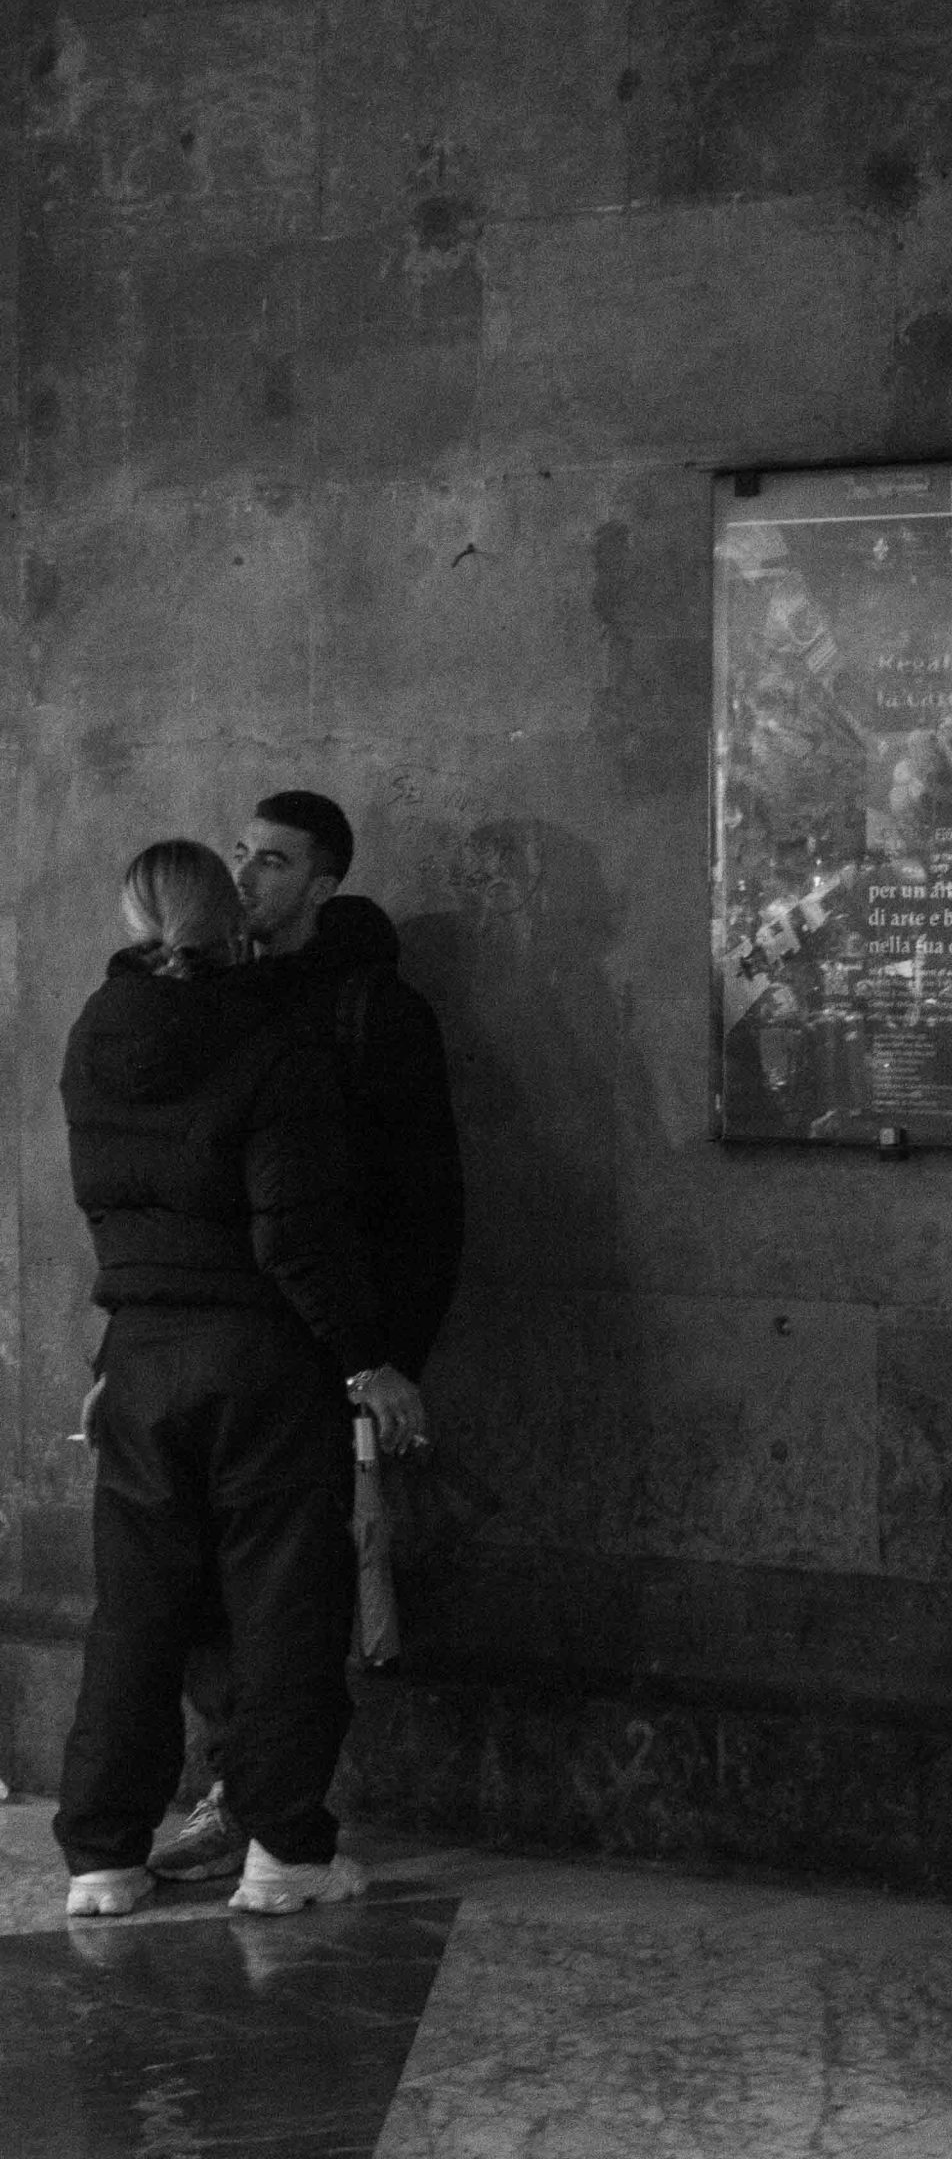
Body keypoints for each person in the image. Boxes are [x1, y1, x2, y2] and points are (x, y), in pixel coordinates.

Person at [54, 841, 427, 1920]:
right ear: (231, 922)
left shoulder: (93, 1033)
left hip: (139, 1356)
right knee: (283, 1607)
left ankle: (103, 1857)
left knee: (134, 1614)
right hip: (262, 1359)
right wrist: (366, 1358)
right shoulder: (273, 1037)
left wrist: (119, 1345)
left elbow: (109, 1204)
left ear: (132, 919)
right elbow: (295, 1232)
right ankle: (282, 1852)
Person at [146, 790, 466, 1887]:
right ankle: (237, 1790)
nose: (245, 876)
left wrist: (385, 1357)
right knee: (196, 1584)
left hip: (319, 1344)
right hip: (207, 1335)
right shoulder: (208, 994)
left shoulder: (375, 1011)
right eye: (238, 852)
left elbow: (425, 1201)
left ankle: (268, 1811)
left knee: (293, 1595)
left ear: (324, 883)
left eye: (274, 862)